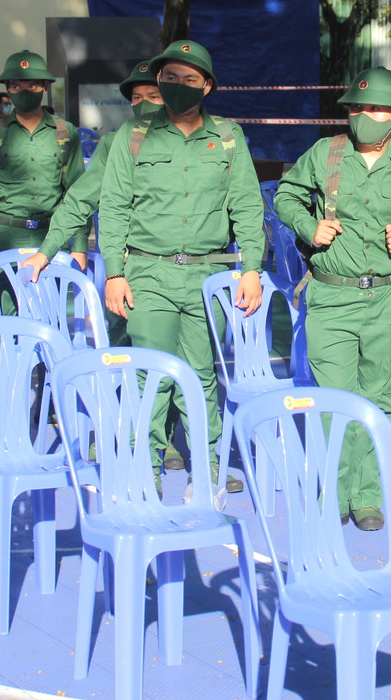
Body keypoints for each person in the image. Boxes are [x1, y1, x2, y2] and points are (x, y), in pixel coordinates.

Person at [274, 67, 391, 531]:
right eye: (358, 108)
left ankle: (368, 495)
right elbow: (285, 197)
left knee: (377, 400)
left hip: (389, 298)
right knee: (334, 397)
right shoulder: (325, 153)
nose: (365, 117)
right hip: (331, 298)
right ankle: (332, 493)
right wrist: (309, 227)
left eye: (376, 109)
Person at [95, 40, 264, 490]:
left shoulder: (228, 137)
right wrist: (114, 272)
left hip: (209, 276)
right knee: (150, 371)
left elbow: (246, 204)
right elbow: (113, 207)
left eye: (190, 80)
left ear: (206, 87)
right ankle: (145, 467)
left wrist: (251, 269)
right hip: (149, 272)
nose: (178, 86)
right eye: (169, 78)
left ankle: (206, 465)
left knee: (202, 374)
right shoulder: (133, 138)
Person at [21, 58, 163, 344]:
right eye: (137, 97)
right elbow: (79, 200)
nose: (144, 103)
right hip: (133, 264)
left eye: (154, 96)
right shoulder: (117, 142)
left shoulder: (203, 139)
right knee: (130, 346)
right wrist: (46, 250)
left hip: (191, 266)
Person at [0, 50, 86, 296]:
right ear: (7, 90)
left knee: (51, 319)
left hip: (51, 238)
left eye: (32, 85)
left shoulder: (64, 132)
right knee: (1, 321)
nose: (24, 91)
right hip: (2, 237)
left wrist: (80, 247)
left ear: (44, 87)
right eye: (16, 85)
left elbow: (77, 193)